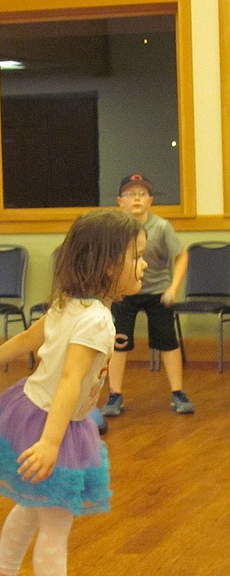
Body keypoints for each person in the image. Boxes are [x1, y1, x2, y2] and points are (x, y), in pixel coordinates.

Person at [0, 209, 147, 576]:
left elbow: (30, 338)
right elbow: (71, 381)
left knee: (34, 504)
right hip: (53, 422)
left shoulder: (70, 303)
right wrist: (52, 443)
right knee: (56, 523)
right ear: (110, 264)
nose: (144, 265)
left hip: (33, 408)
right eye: (138, 257)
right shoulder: (96, 318)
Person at [101, 173, 195, 417]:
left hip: (157, 292)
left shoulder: (162, 227)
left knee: (167, 341)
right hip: (124, 292)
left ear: (150, 201)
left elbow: (182, 255)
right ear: (120, 201)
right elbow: (107, 260)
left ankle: (178, 392)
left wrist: (173, 288)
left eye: (142, 194)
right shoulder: (114, 229)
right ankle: (115, 395)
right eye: (131, 194)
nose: (136, 199)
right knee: (118, 342)